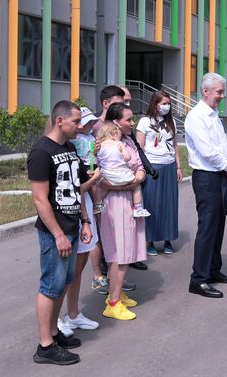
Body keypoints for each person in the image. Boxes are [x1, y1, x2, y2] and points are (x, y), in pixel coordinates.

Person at [28, 100, 92, 365]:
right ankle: (45, 347)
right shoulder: (41, 152)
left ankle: (54, 332)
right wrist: (58, 234)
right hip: (55, 233)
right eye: (76, 121)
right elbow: (40, 199)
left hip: (72, 227)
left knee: (64, 282)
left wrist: (85, 222)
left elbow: (77, 188)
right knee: (50, 286)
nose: (80, 126)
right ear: (60, 121)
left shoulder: (68, 147)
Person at [185, 72, 227, 299]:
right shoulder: (196, 117)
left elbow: (222, 145)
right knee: (207, 227)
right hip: (206, 177)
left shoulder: (213, 115)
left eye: (222, 92)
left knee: (218, 226)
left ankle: (213, 270)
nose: (222, 96)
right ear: (205, 91)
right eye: (219, 92)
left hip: (219, 176)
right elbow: (207, 151)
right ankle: (199, 279)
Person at [56, 109, 104, 337]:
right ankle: (56, 318)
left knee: (81, 263)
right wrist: (93, 180)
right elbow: (74, 187)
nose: (80, 126)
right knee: (66, 269)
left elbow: (81, 184)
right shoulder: (57, 150)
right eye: (76, 122)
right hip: (70, 209)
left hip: (83, 209)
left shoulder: (75, 148)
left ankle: (73, 314)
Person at [99, 102, 147, 320]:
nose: (132, 123)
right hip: (117, 201)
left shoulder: (127, 141)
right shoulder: (103, 145)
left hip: (128, 198)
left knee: (125, 250)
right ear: (116, 123)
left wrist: (139, 176)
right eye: (128, 119)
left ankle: (116, 293)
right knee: (120, 252)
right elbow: (102, 177)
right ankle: (113, 303)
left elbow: (139, 166)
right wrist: (126, 184)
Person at [136, 89, 182, 256]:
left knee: (169, 204)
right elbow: (139, 147)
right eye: (164, 103)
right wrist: (142, 168)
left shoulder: (172, 122)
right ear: (155, 104)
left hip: (169, 166)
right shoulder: (144, 122)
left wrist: (178, 166)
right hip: (153, 167)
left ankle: (168, 239)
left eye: (169, 103)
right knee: (152, 204)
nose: (167, 106)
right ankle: (150, 241)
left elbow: (175, 146)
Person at [95, 122, 151, 218]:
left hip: (107, 175)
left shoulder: (100, 146)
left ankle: (98, 205)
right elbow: (127, 157)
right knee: (136, 187)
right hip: (122, 174)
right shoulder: (119, 143)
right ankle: (138, 207)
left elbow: (96, 159)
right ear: (114, 134)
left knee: (100, 188)